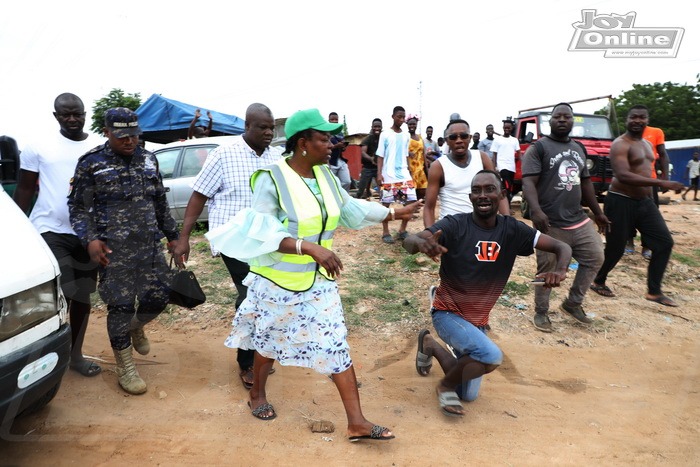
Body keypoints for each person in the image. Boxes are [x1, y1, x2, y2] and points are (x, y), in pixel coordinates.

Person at [205, 108, 423, 440]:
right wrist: (310, 248)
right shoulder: (271, 178)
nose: (332, 144)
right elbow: (264, 231)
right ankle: (257, 394)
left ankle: (357, 422)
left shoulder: (326, 177)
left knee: (336, 343)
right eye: (324, 139)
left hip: (319, 284)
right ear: (303, 143)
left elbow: (350, 210)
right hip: (277, 281)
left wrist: (394, 211)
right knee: (267, 345)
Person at [404, 170, 571, 416]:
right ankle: (444, 386)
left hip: (477, 321)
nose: (483, 195)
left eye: (489, 189)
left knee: (468, 393)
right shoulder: (455, 224)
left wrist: (560, 270)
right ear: (470, 196)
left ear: (501, 195)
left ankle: (430, 344)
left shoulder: (511, 229)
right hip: (447, 313)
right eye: (477, 190)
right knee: (490, 355)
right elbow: (410, 241)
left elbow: (561, 246)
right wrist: (419, 243)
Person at [68, 107, 183, 395]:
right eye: (122, 136)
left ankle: (135, 326)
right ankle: (125, 366)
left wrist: (174, 237)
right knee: (119, 306)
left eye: (134, 134)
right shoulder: (91, 163)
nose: (129, 141)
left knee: (158, 297)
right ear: (107, 132)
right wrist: (90, 239)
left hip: (148, 246)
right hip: (112, 250)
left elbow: (160, 203)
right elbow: (78, 207)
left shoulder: (148, 159)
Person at [172, 103, 282, 389]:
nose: (269, 132)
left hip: (266, 240)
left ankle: (260, 351)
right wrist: (183, 238)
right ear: (247, 126)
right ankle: (246, 362)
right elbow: (198, 196)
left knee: (267, 293)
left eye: (271, 127)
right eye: (263, 127)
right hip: (233, 240)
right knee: (249, 293)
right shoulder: (224, 155)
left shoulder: (276, 157)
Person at [13, 92, 104, 377]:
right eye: (66, 114)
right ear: (56, 116)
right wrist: (18, 227)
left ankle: (74, 356)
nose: (72, 119)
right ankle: (43, 356)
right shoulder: (38, 146)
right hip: (50, 229)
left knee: (84, 297)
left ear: (85, 113)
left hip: (88, 234)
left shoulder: (99, 146)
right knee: (61, 293)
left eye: (77, 113)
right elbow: (26, 188)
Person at [521, 103, 611, 332]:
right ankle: (541, 312)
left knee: (595, 257)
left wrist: (598, 213)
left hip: (578, 220)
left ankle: (573, 303)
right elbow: (528, 182)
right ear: (549, 121)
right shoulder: (538, 148)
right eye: (557, 116)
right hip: (550, 222)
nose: (562, 120)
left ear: (572, 121)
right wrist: (536, 211)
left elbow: (586, 183)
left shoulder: (579, 147)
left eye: (567, 117)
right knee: (547, 269)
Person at [590, 105, 684, 307]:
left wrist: (662, 180)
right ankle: (598, 280)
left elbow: (648, 169)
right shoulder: (620, 144)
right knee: (615, 248)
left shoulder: (647, 146)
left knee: (664, 243)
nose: (637, 121)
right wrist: (661, 183)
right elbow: (622, 174)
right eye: (633, 117)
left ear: (647, 120)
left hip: (644, 201)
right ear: (627, 119)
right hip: (620, 200)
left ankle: (654, 291)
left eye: (642, 117)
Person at [423, 119, 508, 228]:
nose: (459, 140)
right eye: (453, 137)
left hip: (482, 226)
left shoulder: (482, 158)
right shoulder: (438, 166)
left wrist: (507, 226)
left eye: (463, 136)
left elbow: (500, 194)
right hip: (452, 229)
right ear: (447, 141)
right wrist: (431, 237)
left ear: (470, 138)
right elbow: (429, 208)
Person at [376, 105, 418, 243]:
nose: (401, 119)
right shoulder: (385, 134)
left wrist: (410, 172)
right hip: (388, 174)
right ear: (393, 116)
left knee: (411, 201)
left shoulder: (406, 135)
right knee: (386, 204)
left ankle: (402, 230)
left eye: (403, 117)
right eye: (399, 116)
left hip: (404, 173)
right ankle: (385, 231)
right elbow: (380, 155)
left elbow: (406, 154)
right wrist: (379, 173)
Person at [491, 119, 521, 203]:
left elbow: (519, 153)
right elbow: (494, 155)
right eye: (505, 127)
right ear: (503, 128)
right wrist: (494, 168)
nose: (506, 129)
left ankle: (504, 204)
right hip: (502, 167)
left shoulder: (514, 140)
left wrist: (523, 164)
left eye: (509, 127)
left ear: (512, 128)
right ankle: (507, 206)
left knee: (510, 187)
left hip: (511, 167)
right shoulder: (497, 140)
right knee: (506, 185)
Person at [355, 118, 382, 200]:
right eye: (375, 126)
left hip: (379, 168)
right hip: (368, 167)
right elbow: (363, 152)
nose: (377, 128)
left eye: (379, 126)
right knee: (360, 189)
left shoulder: (383, 138)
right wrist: (371, 159)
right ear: (372, 127)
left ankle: (384, 206)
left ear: (381, 127)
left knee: (382, 189)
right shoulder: (367, 139)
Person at [328, 112, 351, 192]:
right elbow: (324, 148)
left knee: (347, 182)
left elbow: (342, 148)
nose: (334, 121)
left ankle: (343, 197)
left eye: (336, 119)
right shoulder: (326, 133)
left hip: (340, 160)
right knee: (331, 183)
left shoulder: (340, 133)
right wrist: (335, 146)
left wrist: (343, 146)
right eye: (332, 119)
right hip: (330, 161)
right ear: (329, 120)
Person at [407, 115, 428, 200]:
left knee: (423, 190)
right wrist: (407, 152)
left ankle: (417, 207)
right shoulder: (405, 136)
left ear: (416, 124)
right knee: (412, 190)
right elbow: (400, 150)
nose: (412, 126)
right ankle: (412, 209)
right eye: (410, 124)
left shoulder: (420, 137)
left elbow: (423, 153)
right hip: (410, 168)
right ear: (407, 125)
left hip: (420, 168)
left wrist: (426, 168)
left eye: (414, 124)